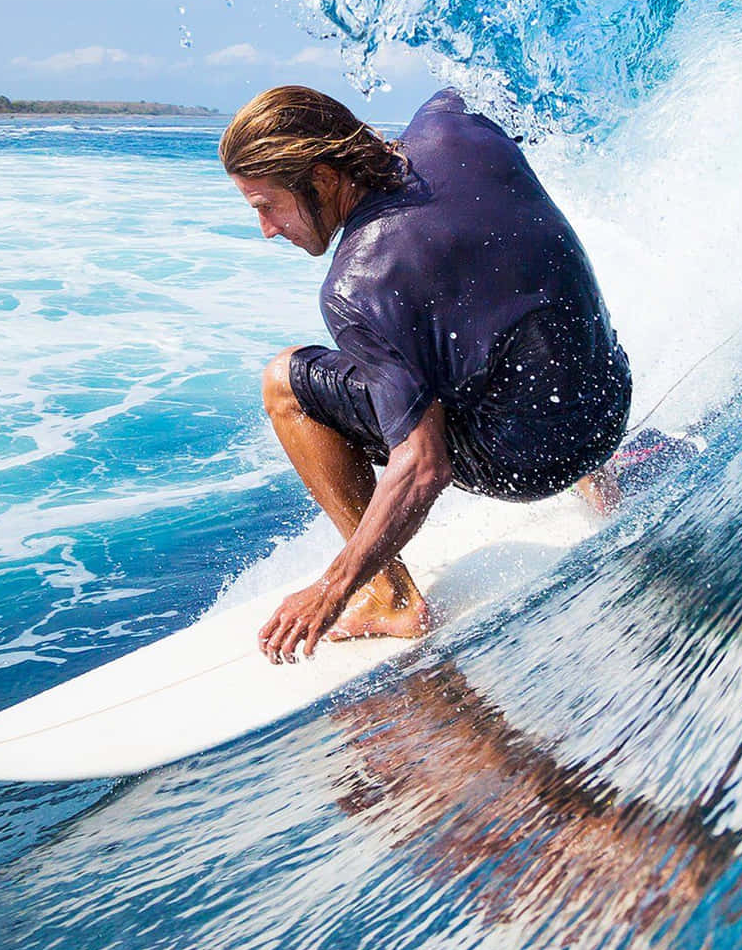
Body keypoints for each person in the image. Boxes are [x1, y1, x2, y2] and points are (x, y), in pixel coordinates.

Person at [220, 85, 631, 662]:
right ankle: (603, 479)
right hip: (608, 401)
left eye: (267, 205)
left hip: (531, 465)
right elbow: (497, 89)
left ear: (321, 178)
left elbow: (423, 466)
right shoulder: (451, 122)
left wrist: (329, 590)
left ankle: (389, 597)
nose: (266, 228)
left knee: (284, 382)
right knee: (486, 296)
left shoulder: (355, 285)